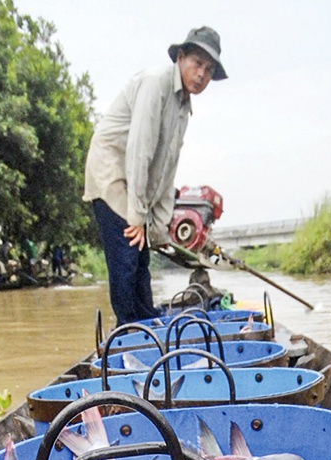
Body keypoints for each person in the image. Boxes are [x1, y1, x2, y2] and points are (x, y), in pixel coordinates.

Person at [83, 26, 227, 326]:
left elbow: (166, 168)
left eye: (209, 69)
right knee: (126, 260)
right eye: (197, 63)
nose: (202, 74)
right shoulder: (155, 84)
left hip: (135, 182)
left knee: (142, 259)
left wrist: (159, 225)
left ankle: (146, 323)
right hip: (112, 172)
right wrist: (137, 216)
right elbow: (139, 150)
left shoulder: (184, 107)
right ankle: (129, 331)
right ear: (181, 57)